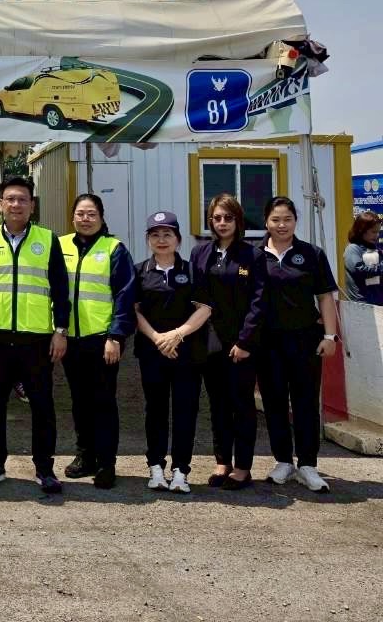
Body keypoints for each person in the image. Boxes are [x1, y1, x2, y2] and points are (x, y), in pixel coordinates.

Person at [0, 177, 71, 494]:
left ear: (32, 205)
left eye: (22, 199)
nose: (16, 204)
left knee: (42, 405)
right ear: (0, 205)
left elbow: (60, 290)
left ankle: (45, 469)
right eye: (10, 199)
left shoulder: (48, 239)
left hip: (37, 339)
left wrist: (60, 331)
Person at [254, 196, 340, 493]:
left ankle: (307, 464)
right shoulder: (254, 255)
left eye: (287, 219)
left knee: (305, 401)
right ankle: (283, 461)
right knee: (274, 401)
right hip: (268, 342)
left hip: (305, 340)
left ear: (295, 222)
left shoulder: (311, 254)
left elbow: (325, 296)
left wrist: (330, 336)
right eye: (276, 220)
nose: (282, 225)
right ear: (266, 222)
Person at [59, 193, 136, 490]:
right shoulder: (60, 246)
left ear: (102, 218)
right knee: (79, 401)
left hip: (103, 340)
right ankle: (85, 456)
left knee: (103, 402)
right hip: (71, 339)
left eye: (92, 214)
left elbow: (125, 296)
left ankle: (106, 463)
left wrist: (116, 336)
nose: (85, 219)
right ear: (72, 217)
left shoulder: (114, 249)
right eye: (80, 213)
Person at [191, 193, 267, 490]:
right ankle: (222, 462)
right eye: (217, 218)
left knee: (242, 404)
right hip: (210, 343)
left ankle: (243, 467)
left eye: (228, 218)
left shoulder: (253, 255)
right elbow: (196, 297)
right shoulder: (200, 253)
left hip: (241, 346)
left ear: (238, 220)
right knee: (218, 404)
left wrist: (245, 341)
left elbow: (258, 302)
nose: (222, 223)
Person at [134, 211, 211, 494]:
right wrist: (157, 338)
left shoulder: (192, 271)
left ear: (178, 239)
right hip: (152, 352)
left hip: (186, 354)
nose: (161, 240)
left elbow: (204, 309)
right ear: (148, 240)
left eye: (167, 234)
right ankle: (155, 466)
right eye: (155, 235)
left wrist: (177, 335)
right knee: (155, 410)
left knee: (185, 410)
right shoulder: (140, 271)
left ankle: (181, 470)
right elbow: (134, 311)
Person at [342, 211, 383, 305]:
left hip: (377, 304)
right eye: (373, 232)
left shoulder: (375, 250)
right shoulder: (353, 249)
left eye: (378, 232)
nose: (377, 235)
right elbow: (359, 270)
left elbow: (376, 279)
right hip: (361, 305)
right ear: (361, 230)